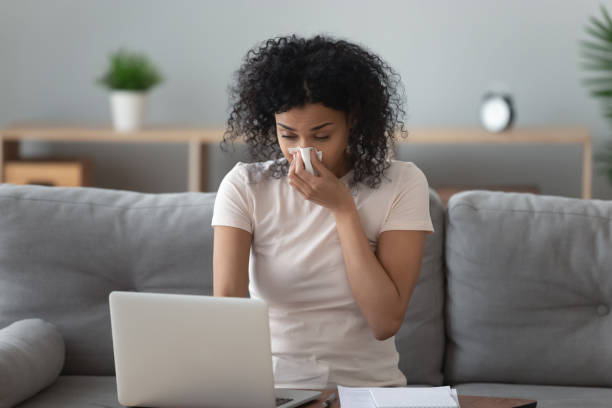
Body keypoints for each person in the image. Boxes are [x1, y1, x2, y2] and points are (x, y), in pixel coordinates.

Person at [211, 33, 434, 390]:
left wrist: (344, 210)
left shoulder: (402, 184)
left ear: (353, 121)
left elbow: (384, 321)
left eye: (321, 136)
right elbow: (228, 314)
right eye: (288, 136)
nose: (303, 152)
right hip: (274, 390)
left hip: (367, 389)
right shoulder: (246, 187)